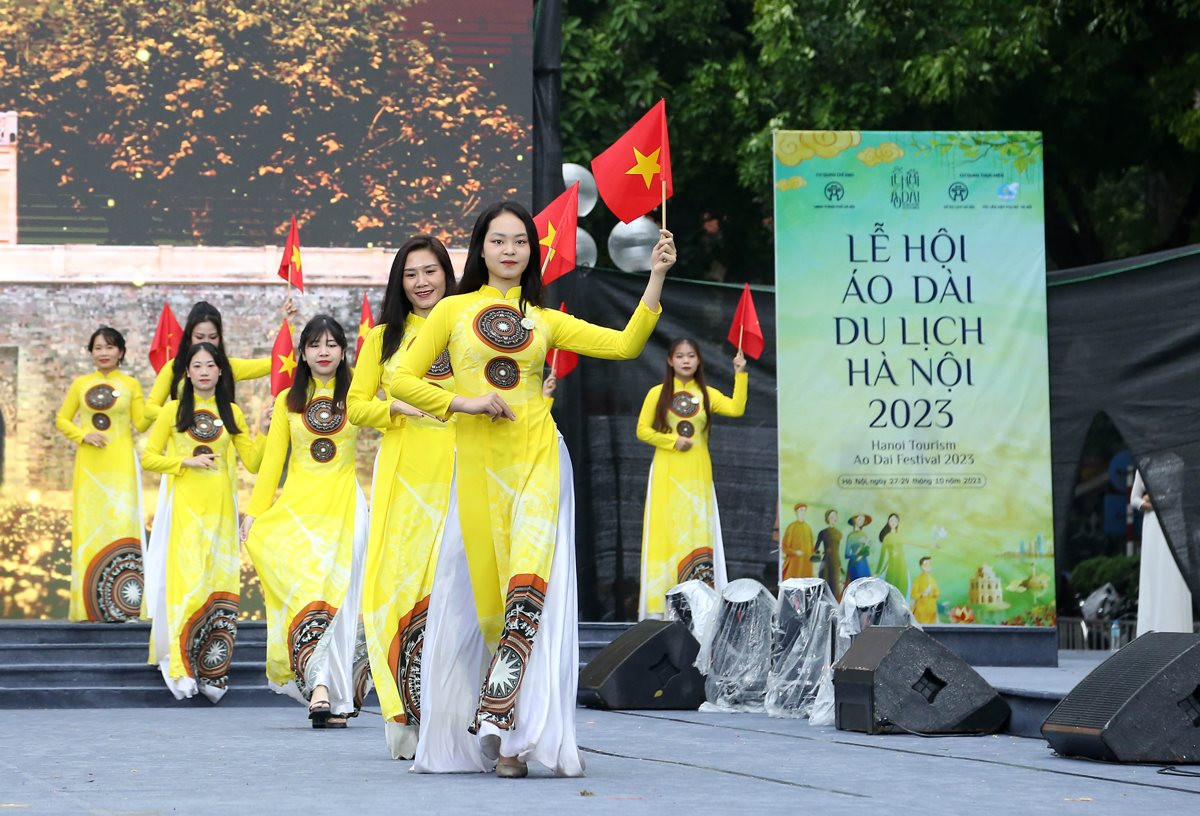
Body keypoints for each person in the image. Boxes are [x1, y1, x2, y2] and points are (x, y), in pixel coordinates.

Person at [390, 200, 675, 778]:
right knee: (494, 602)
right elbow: (397, 377)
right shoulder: (452, 310)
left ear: (532, 250)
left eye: (520, 241)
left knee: (528, 589)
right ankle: (503, 722)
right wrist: (462, 401)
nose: (510, 250)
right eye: (499, 241)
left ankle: (513, 736)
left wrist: (657, 276)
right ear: (481, 249)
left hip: (538, 461)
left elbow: (623, 344)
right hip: (476, 468)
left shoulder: (544, 319)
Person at [241, 315, 388, 727]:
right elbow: (271, 465)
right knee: (311, 595)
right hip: (300, 514)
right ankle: (320, 687)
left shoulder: (358, 393)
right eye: (314, 345)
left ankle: (335, 697)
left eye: (332, 344)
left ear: (343, 351)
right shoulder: (288, 400)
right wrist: (253, 514)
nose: (323, 352)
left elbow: (395, 420)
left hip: (345, 509)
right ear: (302, 354)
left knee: (345, 602)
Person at [350, 235, 458, 758]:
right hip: (406, 479)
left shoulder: (467, 327)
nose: (421, 282)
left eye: (430, 271)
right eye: (411, 273)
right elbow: (354, 406)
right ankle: (405, 716)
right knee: (398, 591)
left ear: (446, 274)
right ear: (400, 282)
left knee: (456, 591)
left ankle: (459, 717)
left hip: (463, 474)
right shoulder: (382, 339)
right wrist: (397, 409)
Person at [141, 342, 262, 702]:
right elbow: (148, 457)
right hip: (187, 514)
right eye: (198, 365)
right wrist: (184, 463)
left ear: (221, 372)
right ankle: (181, 668)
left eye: (211, 365)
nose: (205, 371)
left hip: (223, 516)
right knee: (188, 587)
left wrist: (267, 429)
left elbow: (254, 463)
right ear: (187, 373)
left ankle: (214, 672)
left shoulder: (233, 413)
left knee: (220, 588)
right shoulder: (174, 411)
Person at [635, 338, 747, 619]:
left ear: (699, 361)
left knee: (698, 531)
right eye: (680, 356)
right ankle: (660, 607)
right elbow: (642, 430)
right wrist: (672, 440)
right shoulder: (657, 393)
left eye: (691, 356)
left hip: (697, 474)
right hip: (666, 472)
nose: (686, 361)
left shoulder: (707, 394)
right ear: (670, 361)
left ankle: (700, 605)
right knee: (665, 532)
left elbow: (736, 408)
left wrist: (740, 373)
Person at [55, 327, 152, 622]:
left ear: (121, 352)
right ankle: (89, 606)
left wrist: (167, 403)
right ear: (91, 352)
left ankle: (127, 604)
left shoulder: (131, 384)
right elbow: (61, 419)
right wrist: (83, 434)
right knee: (90, 527)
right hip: (89, 465)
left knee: (123, 526)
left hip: (121, 462)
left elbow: (141, 422)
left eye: (110, 347)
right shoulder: (80, 385)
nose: (104, 353)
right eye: (98, 347)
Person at [145, 299, 293, 418]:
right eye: (199, 337)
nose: (206, 342)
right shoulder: (174, 367)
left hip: (221, 449)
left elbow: (278, 361)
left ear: (220, 338)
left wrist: (287, 325)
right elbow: (150, 408)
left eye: (213, 337)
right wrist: (181, 415)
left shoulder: (229, 366)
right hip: (182, 451)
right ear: (189, 337)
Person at [1131, 469, 1193, 636]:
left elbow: (1177, 494)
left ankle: (1175, 629)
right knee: (1152, 574)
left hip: (1174, 523)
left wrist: (1151, 497)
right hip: (1152, 524)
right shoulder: (1143, 466)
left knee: (1173, 572)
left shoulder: (1177, 463)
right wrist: (1146, 503)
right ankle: (1150, 631)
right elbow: (1134, 499)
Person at [874, 512, 909, 595]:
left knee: (902, 589)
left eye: (895, 520)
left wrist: (930, 545)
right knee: (891, 589)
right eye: (891, 520)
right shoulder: (887, 537)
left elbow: (914, 542)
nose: (893, 522)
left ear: (898, 523)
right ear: (888, 522)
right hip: (892, 567)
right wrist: (877, 572)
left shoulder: (900, 536)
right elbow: (882, 557)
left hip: (902, 566)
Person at [780, 503, 815, 581]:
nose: (803, 512)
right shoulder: (791, 527)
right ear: (796, 512)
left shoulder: (807, 527)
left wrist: (815, 553)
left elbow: (812, 546)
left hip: (806, 564)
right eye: (801, 510)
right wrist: (795, 552)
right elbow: (784, 547)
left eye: (804, 510)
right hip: (794, 564)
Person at [815, 509, 843, 599]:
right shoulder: (823, 533)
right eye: (831, 516)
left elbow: (837, 550)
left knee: (835, 585)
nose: (833, 518)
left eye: (835, 516)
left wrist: (840, 564)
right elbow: (816, 548)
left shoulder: (839, 533)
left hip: (835, 562)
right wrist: (820, 552)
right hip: (826, 561)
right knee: (825, 582)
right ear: (827, 518)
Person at [844, 513, 872, 587]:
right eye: (859, 519)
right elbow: (846, 554)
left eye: (862, 520)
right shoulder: (851, 536)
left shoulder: (864, 535)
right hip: (854, 564)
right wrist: (856, 555)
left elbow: (867, 552)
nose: (861, 521)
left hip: (863, 564)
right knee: (855, 586)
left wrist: (862, 554)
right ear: (854, 520)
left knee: (866, 586)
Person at [910, 556, 939, 624]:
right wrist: (922, 594)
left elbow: (937, 593)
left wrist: (931, 594)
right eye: (926, 564)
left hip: (931, 611)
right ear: (921, 566)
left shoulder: (932, 579)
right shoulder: (918, 579)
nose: (928, 566)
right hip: (921, 611)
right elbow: (913, 594)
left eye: (929, 564)